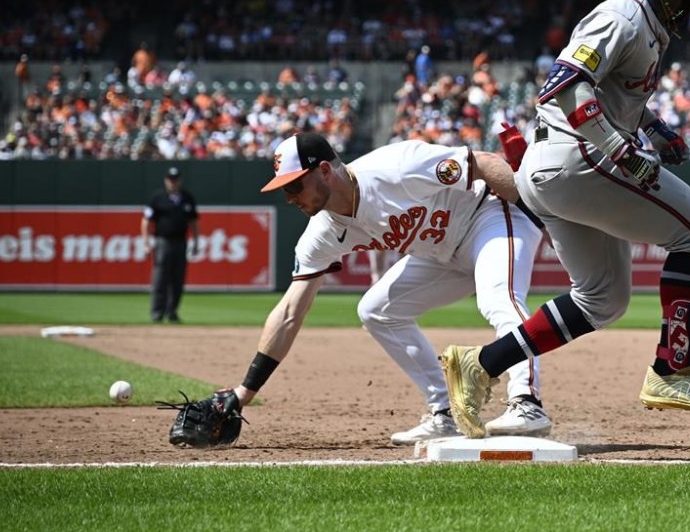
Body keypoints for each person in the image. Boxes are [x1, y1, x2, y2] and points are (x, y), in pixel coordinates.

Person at [438, 0, 690, 439]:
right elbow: (564, 85)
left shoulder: (648, 20)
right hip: (576, 160)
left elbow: (615, 92)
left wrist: (655, 128)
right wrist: (619, 149)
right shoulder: (624, 14)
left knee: (602, 298)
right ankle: (674, 371)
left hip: (557, 168)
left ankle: (482, 365)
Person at [222, 132, 552, 446]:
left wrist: (544, 218)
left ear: (324, 170)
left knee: (499, 297)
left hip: (489, 216)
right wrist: (244, 392)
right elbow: (290, 312)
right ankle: (445, 411)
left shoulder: (394, 167)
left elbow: (481, 162)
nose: (290, 197)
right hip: (442, 253)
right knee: (376, 311)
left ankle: (527, 401)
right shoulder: (321, 233)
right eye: (284, 190)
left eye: (294, 185)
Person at [141, 167, 199, 323]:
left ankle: (172, 312)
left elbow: (193, 222)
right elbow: (146, 221)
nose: (173, 182)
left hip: (181, 242)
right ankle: (157, 313)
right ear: (166, 180)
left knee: (177, 280)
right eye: (170, 179)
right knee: (160, 279)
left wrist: (195, 242)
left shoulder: (187, 198)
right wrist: (146, 243)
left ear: (180, 180)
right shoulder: (158, 198)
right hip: (163, 242)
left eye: (176, 179)